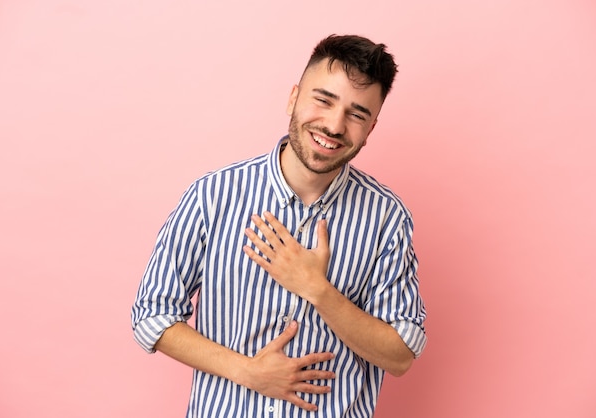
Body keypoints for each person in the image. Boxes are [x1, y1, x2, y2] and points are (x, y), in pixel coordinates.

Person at [131, 34, 427, 417]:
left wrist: (318, 290)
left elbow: (400, 355)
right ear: (293, 98)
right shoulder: (213, 195)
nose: (335, 125)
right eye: (324, 100)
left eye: (357, 114)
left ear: (370, 129)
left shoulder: (387, 217)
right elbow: (152, 316)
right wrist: (249, 372)